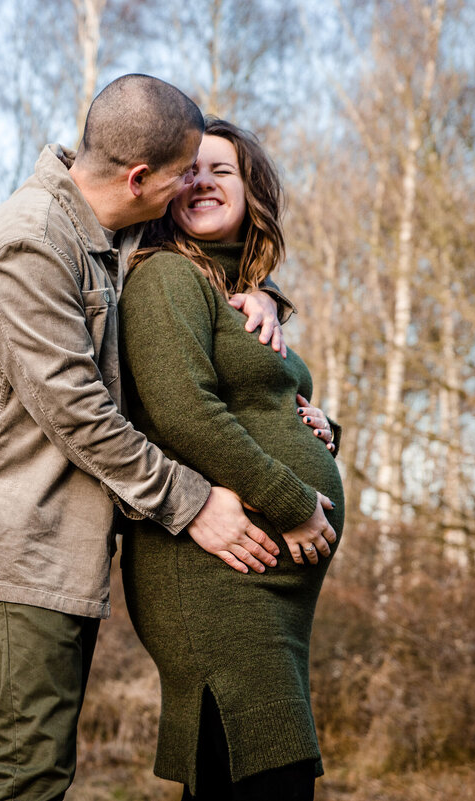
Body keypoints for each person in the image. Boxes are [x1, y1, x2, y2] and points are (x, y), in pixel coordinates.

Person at [0, 76, 296, 801]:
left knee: (20, 759)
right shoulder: (29, 243)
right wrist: (195, 504)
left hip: (72, 539)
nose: (187, 191)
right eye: (179, 178)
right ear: (139, 179)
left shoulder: (108, 226)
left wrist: (263, 296)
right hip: (27, 539)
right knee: (24, 771)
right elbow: (79, 413)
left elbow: (200, 267)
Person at [118, 118, 345, 801]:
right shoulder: (164, 278)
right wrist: (294, 500)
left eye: (222, 169)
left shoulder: (234, 292)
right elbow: (181, 411)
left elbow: (257, 405)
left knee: (247, 772)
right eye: (188, 169)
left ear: (252, 190)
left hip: (260, 586)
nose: (202, 181)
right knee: (264, 774)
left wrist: (320, 425)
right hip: (215, 574)